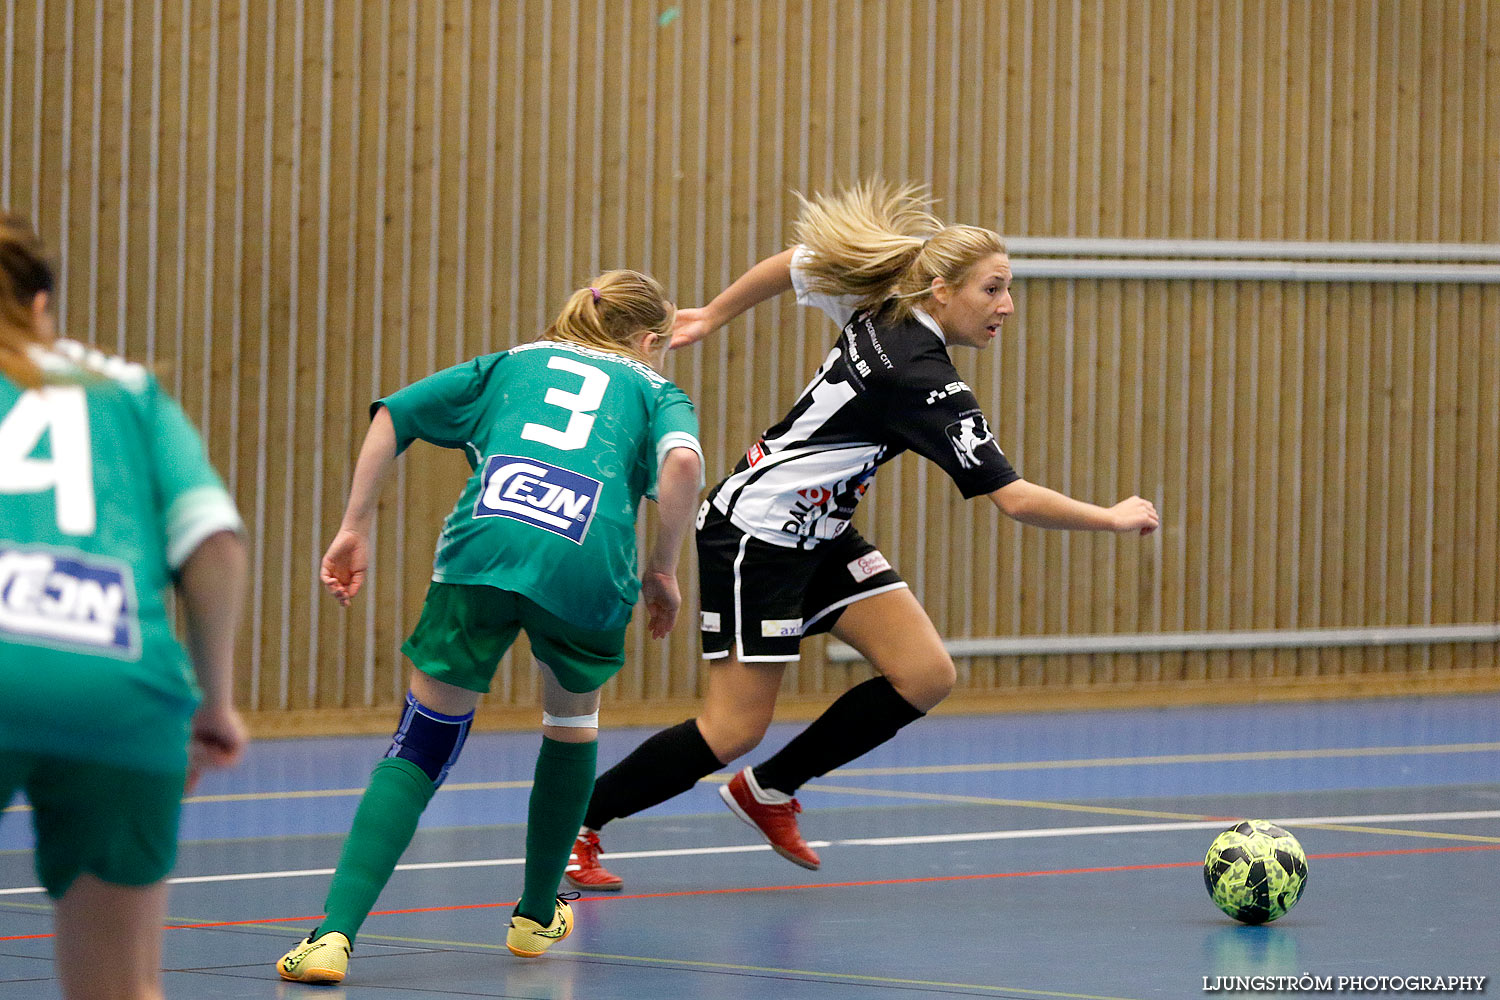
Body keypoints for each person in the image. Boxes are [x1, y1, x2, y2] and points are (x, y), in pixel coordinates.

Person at [565, 180, 1159, 890]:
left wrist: (715, 315)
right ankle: (578, 824)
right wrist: (1113, 517)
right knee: (732, 729)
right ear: (942, 291)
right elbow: (1013, 498)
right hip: (756, 536)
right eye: (992, 289)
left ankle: (770, 789)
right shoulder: (924, 381)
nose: (1006, 306)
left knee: (925, 674)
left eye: (1009, 288)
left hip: (821, 531)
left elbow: (795, 262)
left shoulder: (883, 301)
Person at [276, 269, 704, 982]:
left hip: (487, 540)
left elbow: (393, 417)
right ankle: (537, 915)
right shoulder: (655, 388)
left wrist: (355, 526)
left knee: (422, 740)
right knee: (570, 727)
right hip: (588, 558)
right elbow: (683, 463)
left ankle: (331, 938)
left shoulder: (510, 363)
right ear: (650, 339)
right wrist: (662, 566)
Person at [0, 214, 249, 1000]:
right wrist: (215, 705)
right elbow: (215, 544)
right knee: (118, 987)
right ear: (42, 304)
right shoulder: (127, 388)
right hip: (120, 680)